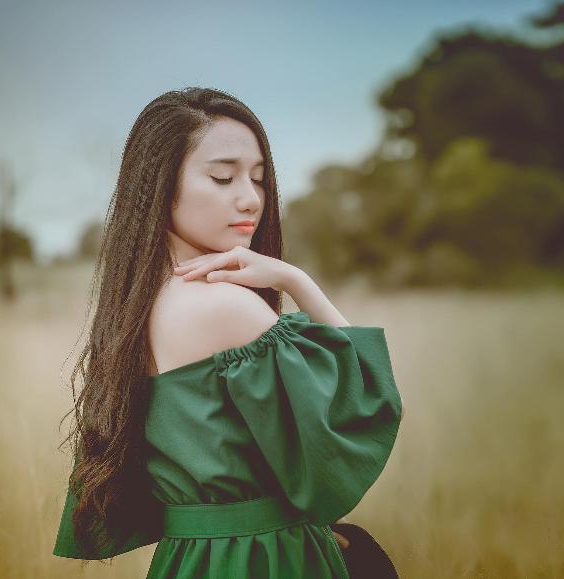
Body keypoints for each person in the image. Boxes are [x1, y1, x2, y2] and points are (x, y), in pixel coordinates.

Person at [51, 87, 405, 578]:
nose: (250, 198)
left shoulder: (139, 305)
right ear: (160, 184)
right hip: (266, 558)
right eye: (222, 176)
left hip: (193, 558)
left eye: (258, 178)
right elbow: (360, 407)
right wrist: (296, 280)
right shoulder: (223, 305)